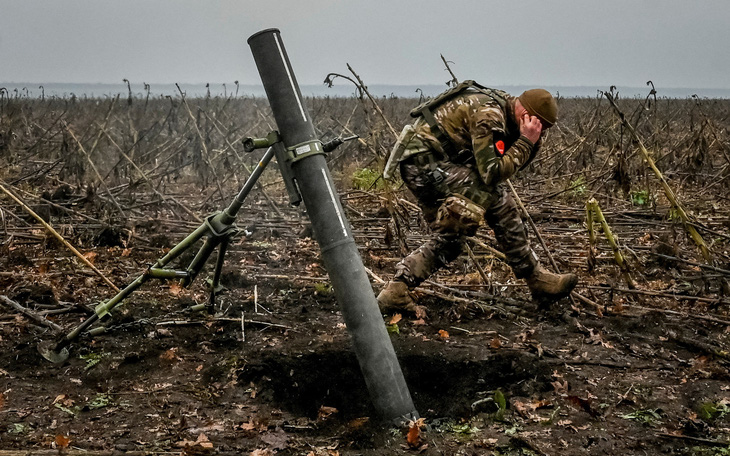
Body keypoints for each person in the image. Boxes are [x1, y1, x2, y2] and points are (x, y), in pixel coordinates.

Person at [377, 81, 577, 313]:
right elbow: (491, 173)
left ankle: (396, 291)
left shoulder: (506, 109)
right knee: (499, 200)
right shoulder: (490, 115)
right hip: (425, 164)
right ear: (525, 114)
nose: (539, 131)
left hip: (431, 163)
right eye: (539, 125)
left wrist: (530, 143)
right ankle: (536, 278)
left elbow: (506, 166)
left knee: (451, 241)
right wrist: (525, 142)